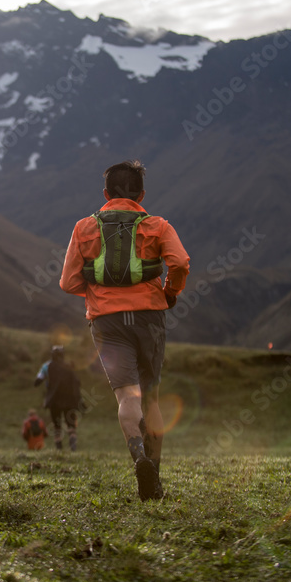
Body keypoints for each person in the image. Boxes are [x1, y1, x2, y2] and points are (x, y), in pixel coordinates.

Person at [60, 160, 189, 501]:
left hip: (106, 321)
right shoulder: (158, 226)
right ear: (142, 195)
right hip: (149, 317)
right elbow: (179, 263)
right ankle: (155, 479)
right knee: (152, 397)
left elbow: (67, 281)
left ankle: (139, 459)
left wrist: (99, 292)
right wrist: (170, 292)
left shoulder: (83, 228)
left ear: (105, 194)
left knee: (127, 396)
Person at [34, 345, 82, 451]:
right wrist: (79, 399)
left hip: (54, 399)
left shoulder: (46, 366)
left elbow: (38, 380)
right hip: (69, 399)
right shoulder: (69, 365)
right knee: (71, 424)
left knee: (56, 424)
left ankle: (59, 448)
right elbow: (76, 383)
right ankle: (73, 446)